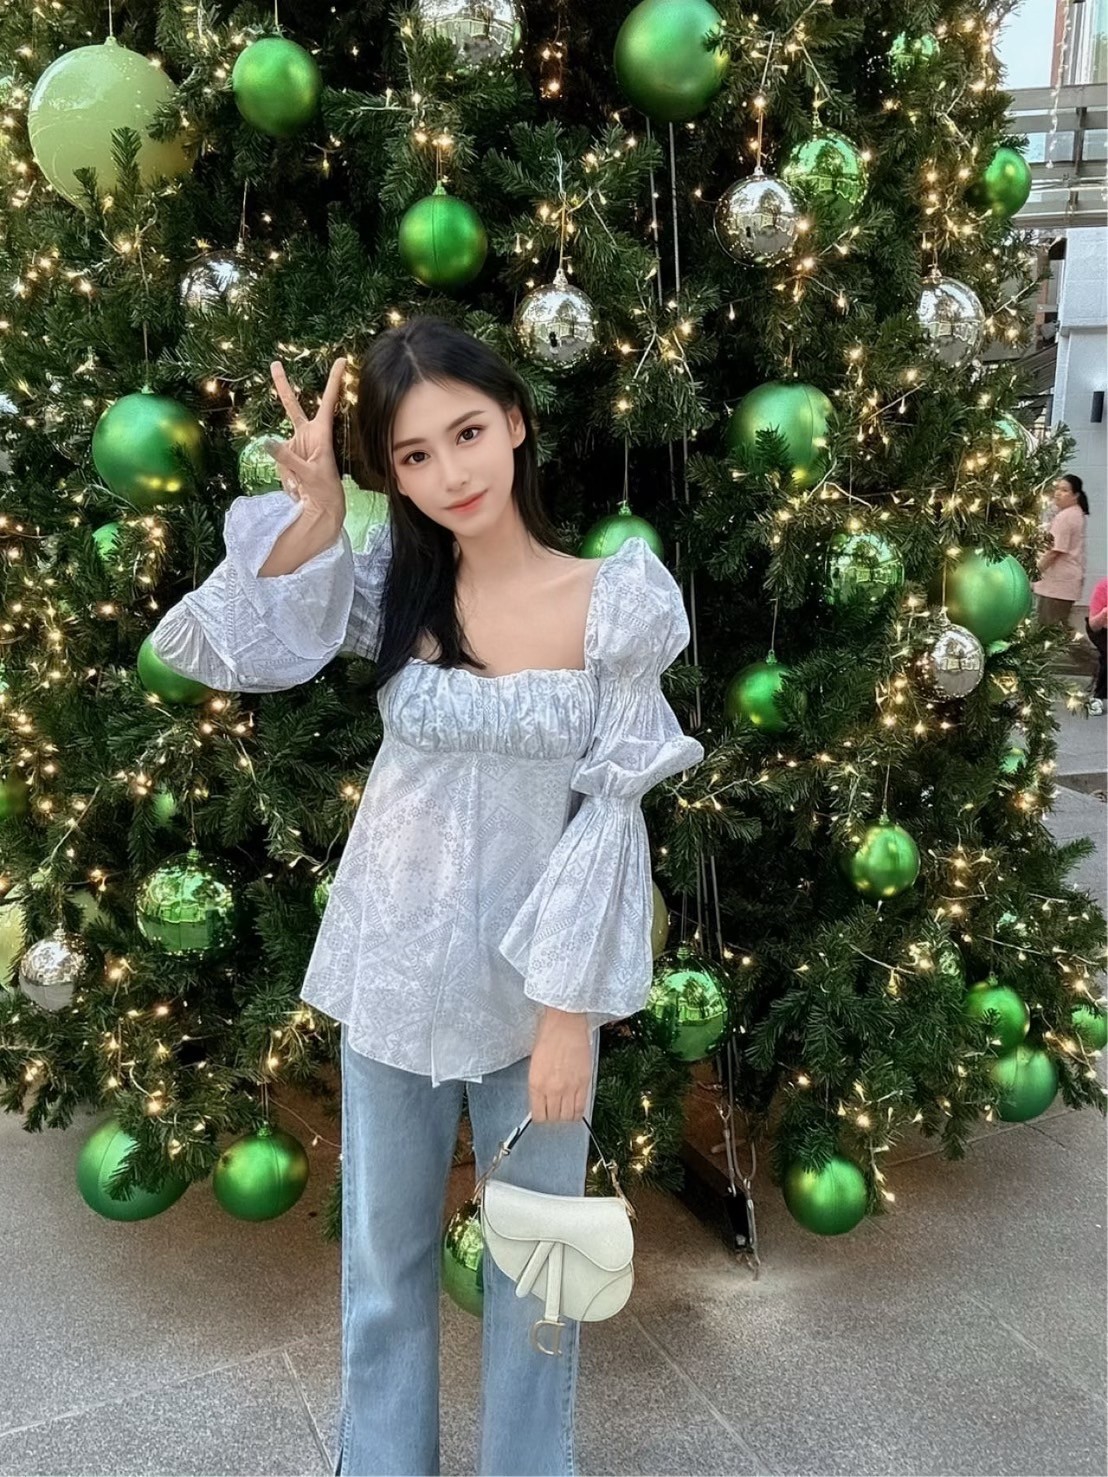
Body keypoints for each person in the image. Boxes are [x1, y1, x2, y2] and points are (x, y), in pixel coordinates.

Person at [147, 315, 705, 1476]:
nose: (450, 472)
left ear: (515, 422)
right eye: (412, 454)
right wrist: (314, 514)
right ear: (391, 477)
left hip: (533, 993)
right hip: (391, 975)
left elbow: (611, 813)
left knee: (538, 1272)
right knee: (383, 1271)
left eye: (465, 433)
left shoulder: (614, 600)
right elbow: (226, 648)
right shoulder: (391, 589)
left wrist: (568, 1014)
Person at [1033, 472, 1089, 627]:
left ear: (1075, 495)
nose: (1058, 493)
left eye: (1064, 490)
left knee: (1049, 629)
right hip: (1065, 583)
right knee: (1058, 628)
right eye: (1057, 489)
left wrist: (1036, 571)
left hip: (1057, 586)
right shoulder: (1076, 513)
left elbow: (1055, 551)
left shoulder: (1066, 517)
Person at [1086, 575, 1107, 716]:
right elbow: (1093, 625)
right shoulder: (1104, 587)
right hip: (1101, 629)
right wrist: (1104, 613)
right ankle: (1097, 696)